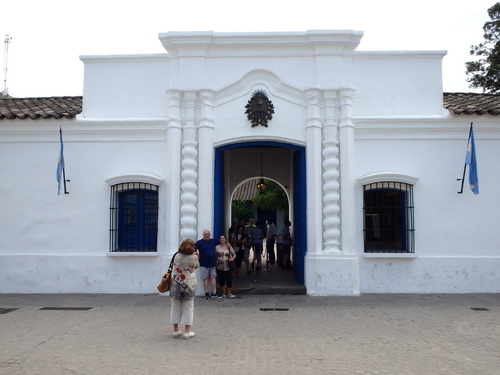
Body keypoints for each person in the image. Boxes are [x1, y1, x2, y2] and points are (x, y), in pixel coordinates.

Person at [170, 238, 199, 339]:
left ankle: (175, 330)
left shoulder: (177, 256)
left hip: (176, 284)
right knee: (188, 307)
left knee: (175, 307)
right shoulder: (193, 257)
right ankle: (187, 331)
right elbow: (196, 266)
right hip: (188, 285)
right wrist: (196, 256)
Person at [195, 230, 219, 299]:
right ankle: (206, 292)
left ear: (210, 234)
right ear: (203, 235)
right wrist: (197, 255)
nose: (206, 235)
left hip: (212, 263)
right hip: (203, 263)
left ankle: (214, 292)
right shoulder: (199, 243)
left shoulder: (213, 241)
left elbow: (221, 244)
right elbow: (193, 248)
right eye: (205, 234)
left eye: (207, 234)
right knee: (205, 278)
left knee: (213, 277)